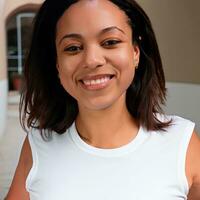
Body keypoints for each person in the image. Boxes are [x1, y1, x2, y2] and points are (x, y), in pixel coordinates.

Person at [5, 0, 200, 199]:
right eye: (72, 48)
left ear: (135, 52)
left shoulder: (182, 143)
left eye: (110, 42)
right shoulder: (38, 146)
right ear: (57, 64)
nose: (92, 60)